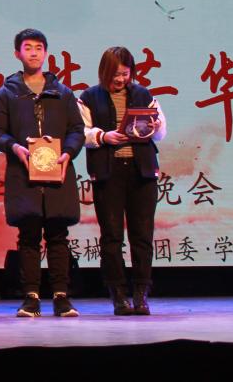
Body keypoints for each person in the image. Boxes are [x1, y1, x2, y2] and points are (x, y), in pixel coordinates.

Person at [0, 28, 85, 318]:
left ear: (46, 53)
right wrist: (15, 147)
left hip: (58, 174)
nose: (33, 52)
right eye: (27, 47)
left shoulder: (63, 93)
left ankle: (61, 297)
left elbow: (77, 130)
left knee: (58, 236)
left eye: (39, 47)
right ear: (17, 53)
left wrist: (68, 152)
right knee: (28, 237)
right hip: (24, 175)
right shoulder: (8, 93)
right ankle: (31, 297)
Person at [78, 46, 167, 316]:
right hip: (109, 172)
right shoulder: (89, 97)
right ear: (104, 71)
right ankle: (118, 294)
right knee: (112, 236)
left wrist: (154, 126)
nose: (120, 79)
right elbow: (79, 132)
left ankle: (141, 293)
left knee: (142, 234)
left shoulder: (143, 95)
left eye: (125, 74)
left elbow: (161, 132)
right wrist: (103, 136)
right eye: (116, 74)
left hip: (142, 172)